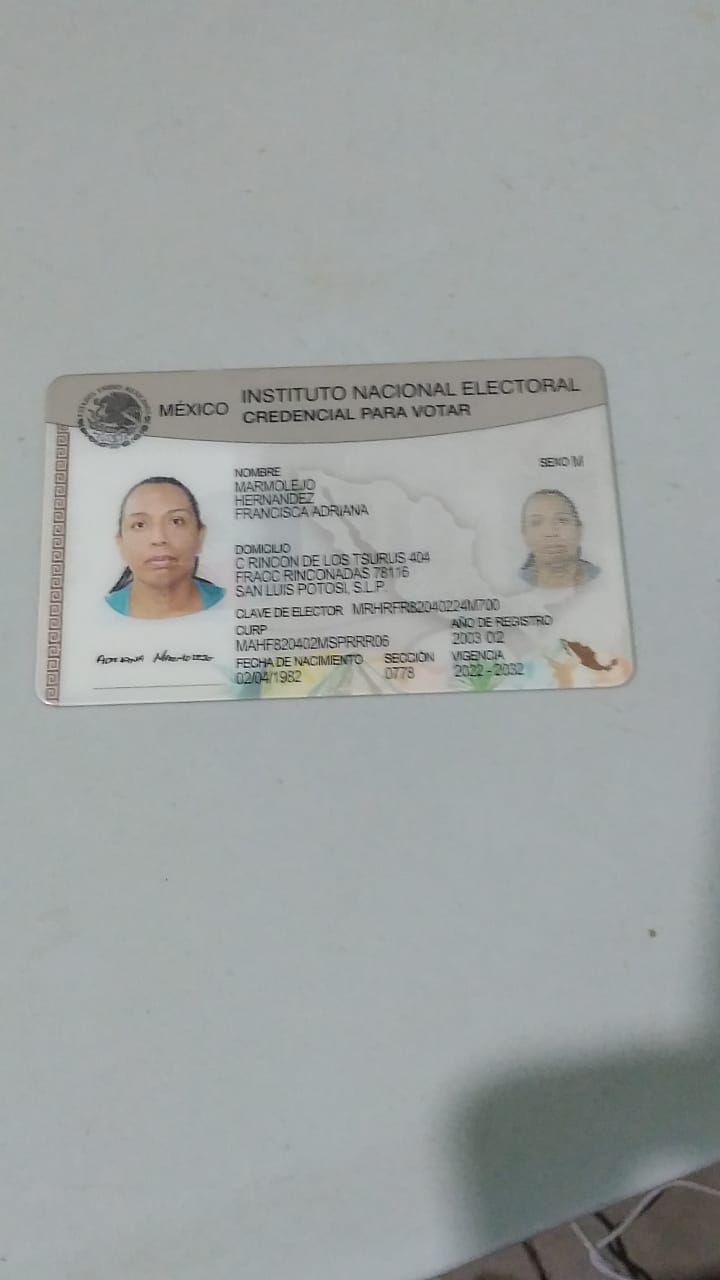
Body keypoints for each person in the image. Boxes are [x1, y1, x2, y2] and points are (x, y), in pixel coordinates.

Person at [106, 476, 225, 618]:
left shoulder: (232, 605)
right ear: (121, 543)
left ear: (200, 537)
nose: (159, 539)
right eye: (140, 525)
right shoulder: (96, 616)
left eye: (176, 521)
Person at [519, 489, 600, 590]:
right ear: (524, 535)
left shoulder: (608, 580)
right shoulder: (512, 589)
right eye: (536, 522)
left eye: (562, 520)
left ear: (579, 530)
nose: (550, 533)